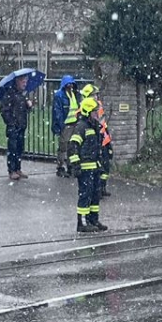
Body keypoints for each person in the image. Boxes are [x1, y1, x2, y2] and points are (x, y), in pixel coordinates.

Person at [65, 90, 110, 233]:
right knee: (85, 195)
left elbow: (97, 148)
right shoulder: (81, 127)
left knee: (95, 195)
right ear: (87, 112)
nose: (97, 114)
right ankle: (82, 223)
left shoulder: (94, 127)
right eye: (94, 112)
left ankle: (93, 219)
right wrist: (76, 165)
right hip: (85, 168)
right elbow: (72, 146)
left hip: (95, 167)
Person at [0, 74, 35, 183]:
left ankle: (18, 169)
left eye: (26, 82)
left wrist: (29, 106)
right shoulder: (9, 94)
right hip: (13, 126)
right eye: (23, 81)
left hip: (21, 125)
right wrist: (11, 123)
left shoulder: (22, 95)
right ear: (17, 81)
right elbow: (4, 110)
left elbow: (24, 110)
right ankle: (12, 170)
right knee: (13, 149)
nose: (25, 84)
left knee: (20, 148)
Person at [51, 75, 80, 177]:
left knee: (72, 147)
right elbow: (57, 112)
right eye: (68, 84)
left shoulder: (74, 94)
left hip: (74, 124)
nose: (70, 85)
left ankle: (70, 166)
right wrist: (60, 126)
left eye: (71, 83)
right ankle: (60, 167)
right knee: (63, 147)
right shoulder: (60, 96)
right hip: (66, 125)